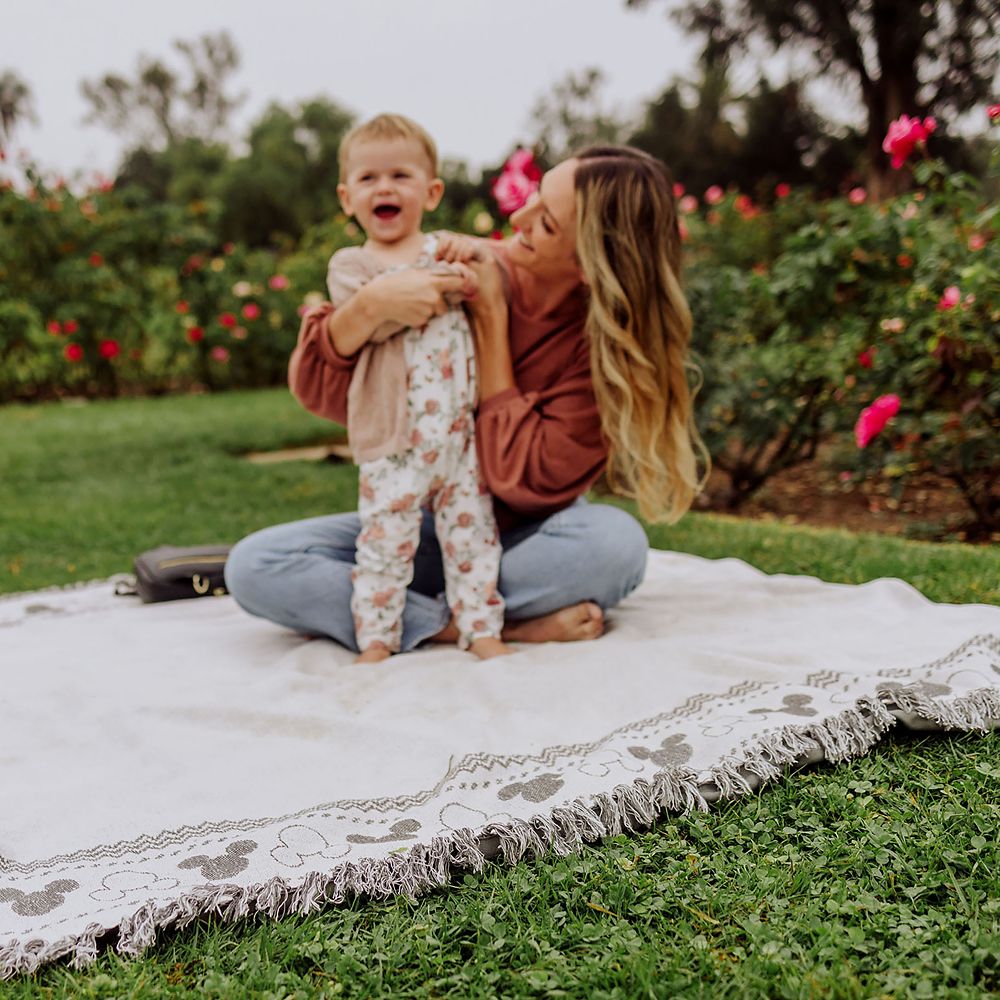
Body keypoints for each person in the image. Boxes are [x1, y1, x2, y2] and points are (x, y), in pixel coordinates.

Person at [225, 144, 706, 655]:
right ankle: (477, 625)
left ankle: (412, 612)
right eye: (534, 197)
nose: (518, 216)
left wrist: (493, 321)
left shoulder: (605, 361)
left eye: (545, 223)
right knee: (255, 566)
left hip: (524, 536)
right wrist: (366, 310)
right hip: (420, 522)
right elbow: (319, 394)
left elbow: (514, 480)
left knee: (615, 546)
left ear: (590, 264)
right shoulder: (459, 267)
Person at [323, 113, 509, 663]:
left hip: (458, 435)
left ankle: (483, 630)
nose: (384, 187)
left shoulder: (441, 249)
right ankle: (377, 639)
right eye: (368, 179)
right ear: (347, 198)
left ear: (430, 193)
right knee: (384, 542)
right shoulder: (351, 264)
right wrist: (415, 293)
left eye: (400, 176)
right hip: (395, 439)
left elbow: (474, 280)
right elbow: (365, 318)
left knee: (473, 538)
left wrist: (464, 270)